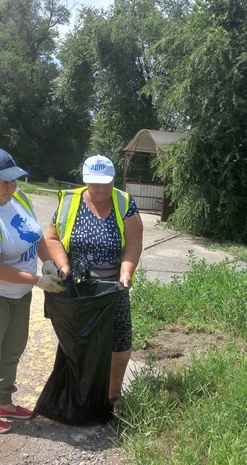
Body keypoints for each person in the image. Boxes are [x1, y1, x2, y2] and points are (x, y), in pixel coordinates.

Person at [0, 147, 62, 434]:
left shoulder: (19, 197)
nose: (12, 186)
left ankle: (3, 402)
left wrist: (48, 262)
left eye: (14, 179)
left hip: (18, 293)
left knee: (12, 350)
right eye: (5, 181)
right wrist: (36, 280)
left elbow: (35, 234)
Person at [45, 154, 143, 403]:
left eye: (105, 182)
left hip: (113, 288)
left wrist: (126, 273)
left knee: (119, 344)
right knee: (78, 342)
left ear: (113, 179)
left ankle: (112, 395)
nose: (100, 188)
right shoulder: (70, 202)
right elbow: (53, 238)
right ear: (85, 180)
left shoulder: (124, 203)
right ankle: (80, 395)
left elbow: (134, 242)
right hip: (79, 288)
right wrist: (63, 266)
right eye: (94, 182)